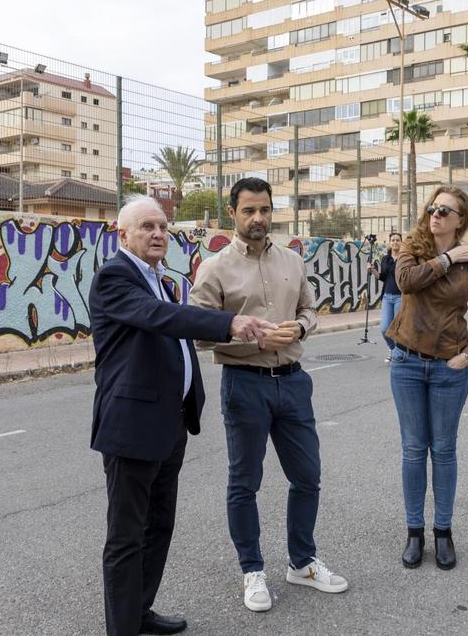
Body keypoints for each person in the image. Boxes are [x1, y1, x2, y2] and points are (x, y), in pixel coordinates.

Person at [89, 196, 275, 636]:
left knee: (159, 527)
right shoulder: (115, 277)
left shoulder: (159, 279)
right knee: (126, 535)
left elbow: (172, 328)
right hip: (131, 426)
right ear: (124, 235)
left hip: (169, 423)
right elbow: (158, 318)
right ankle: (123, 629)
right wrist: (226, 323)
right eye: (147, 227)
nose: (158, 234)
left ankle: (140, 611)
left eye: (163, 227)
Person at [189, 177, 348, 614]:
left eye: (264, 210)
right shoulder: (215, 268)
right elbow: (199, 334)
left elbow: (310, 310)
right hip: (245, 384)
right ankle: (252, 569)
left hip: (294, 383)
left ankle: (302, 562)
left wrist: (300, 328)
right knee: (245, 482)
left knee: (307, 476)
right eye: (248, 211)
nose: (258, 218)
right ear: (232, 213)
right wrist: (253, 341)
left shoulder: (293, 262)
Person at [386, 186, 468, 571]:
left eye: (445, 211)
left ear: (460, 220)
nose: (435, 215)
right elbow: (406, 280)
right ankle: (414, 533)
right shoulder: (413, 247)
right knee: (414, 450)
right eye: (433, 208)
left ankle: (444, 532)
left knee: (445, 451)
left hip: (447, 370)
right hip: (406, 363)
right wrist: (448, 258)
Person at [369, 231, 404, 362]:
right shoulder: (385, 259)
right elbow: (382, 277)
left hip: (400, 297)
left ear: (401, 242)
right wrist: (372, 270)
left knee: (397, 329)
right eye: (393, 240)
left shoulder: (405, 258)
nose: (395, 242)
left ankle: (398, 352)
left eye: (397, 240)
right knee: (384, 328)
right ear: (390, 243)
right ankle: (392, 349)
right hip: (387, 297)